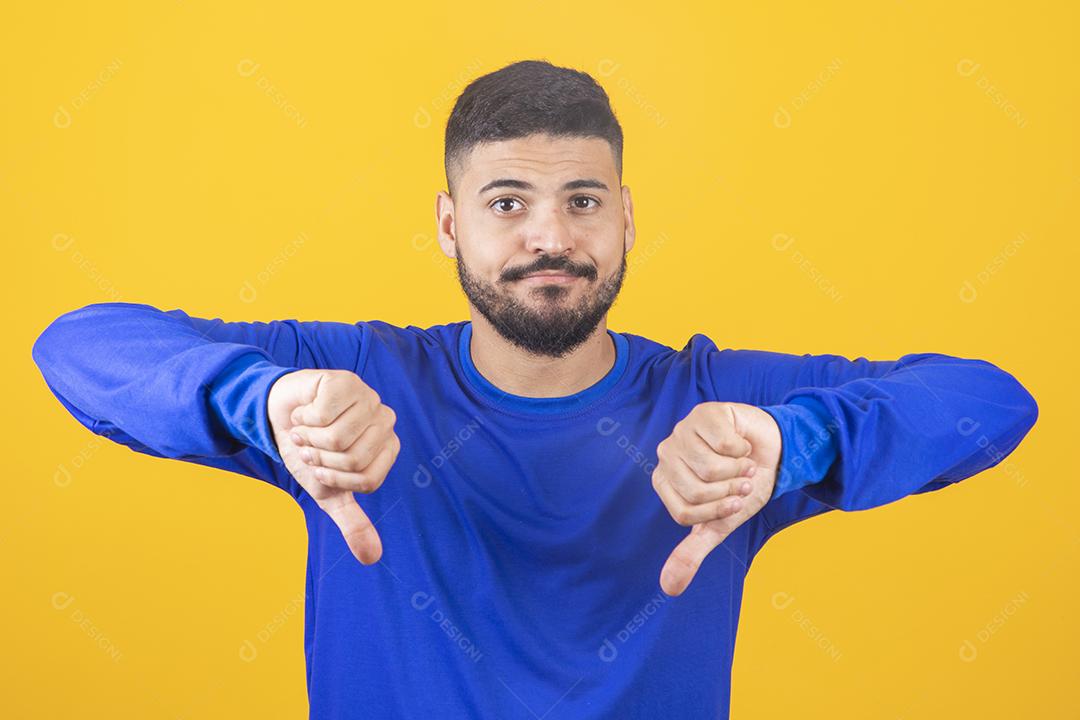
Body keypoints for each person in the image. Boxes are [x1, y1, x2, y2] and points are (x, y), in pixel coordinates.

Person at [31, 59, 1038, 720]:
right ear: (448, 225)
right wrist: (260, 404)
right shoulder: (344, 390)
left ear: (628, 219)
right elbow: (77, 346)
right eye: (507, 202)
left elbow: (991, 402)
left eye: (583, 201)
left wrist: (797, 443)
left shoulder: (722, 412)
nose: (550, 237)